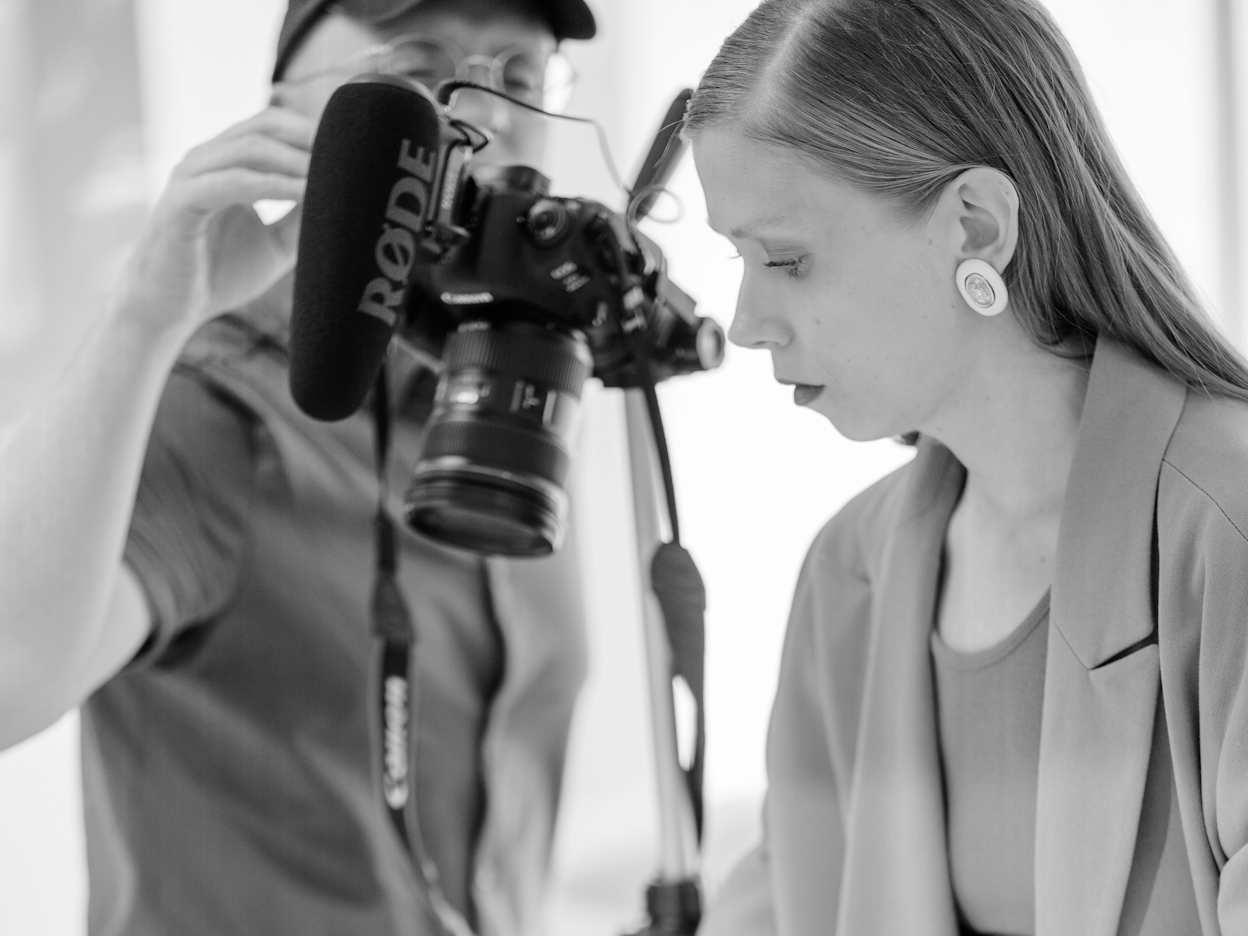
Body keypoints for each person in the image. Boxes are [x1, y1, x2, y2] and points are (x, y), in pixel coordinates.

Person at [0, 1, 597, 934]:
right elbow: (8, 681)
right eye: (420, 66)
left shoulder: (515, 399)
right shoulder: (219, 408)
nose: (486, 115)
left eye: (521, 78)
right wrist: (148, 316)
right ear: (291, 110)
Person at [684, 1, 1248, 934]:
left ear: (977, 228)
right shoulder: (849, 573)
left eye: (786, 257)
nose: (746, 322)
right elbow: (782, 901)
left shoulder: (1225, 537)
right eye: (737, 258)